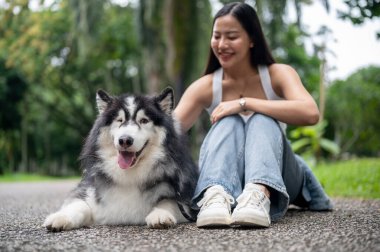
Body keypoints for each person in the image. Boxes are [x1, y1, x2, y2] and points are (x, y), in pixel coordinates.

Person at [174, 2, 333, 228]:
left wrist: (244, 103)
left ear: (252, 39)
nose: (222, 44)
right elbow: (166, 133)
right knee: (227, 120)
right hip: (227, 175)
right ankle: (215, 196)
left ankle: (259, 195)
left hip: (282, 176)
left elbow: (310, 113)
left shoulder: (278, 74)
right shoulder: (206, 86)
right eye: (216, 36)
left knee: (260, 118)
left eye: (231, 37)